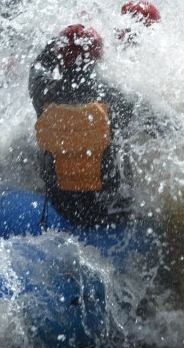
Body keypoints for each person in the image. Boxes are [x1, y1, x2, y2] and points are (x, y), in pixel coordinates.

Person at [28, 24, 161, 228]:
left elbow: (38, 66)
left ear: (60, 58)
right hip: (111, 212)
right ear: (98, 58)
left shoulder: (42, 92)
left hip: (63, 207)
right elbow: (162, 127)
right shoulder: (117, 98)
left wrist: (60, 42)